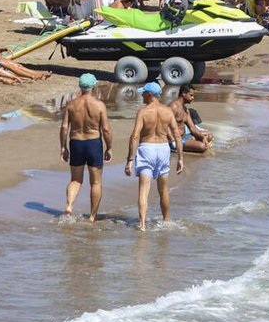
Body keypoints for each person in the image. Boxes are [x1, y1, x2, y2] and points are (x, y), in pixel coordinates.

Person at [125, 82, 183, 230]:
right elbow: (176, 135)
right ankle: (167, 221)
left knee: (144, 190)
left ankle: (143, 225)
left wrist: (130, 160)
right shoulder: (167, 111)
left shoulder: (143, 112)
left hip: (147, 148)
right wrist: (181, 159)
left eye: (143, 93)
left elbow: (134, 136)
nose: (141, 95)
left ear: (149, 95)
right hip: (163, 149)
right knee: (163, 189)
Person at [59, 72, 112, 220]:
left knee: (75, 180)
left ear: (80, 86)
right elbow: (106, 129)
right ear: (93, 86)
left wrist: (63, 147)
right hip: (93, 143)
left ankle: (69, 207)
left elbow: (64, 127)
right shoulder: (99, 105)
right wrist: (109, 148)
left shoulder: (71, 104)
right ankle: (92, 217)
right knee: (95, 182)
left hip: (76, 142)